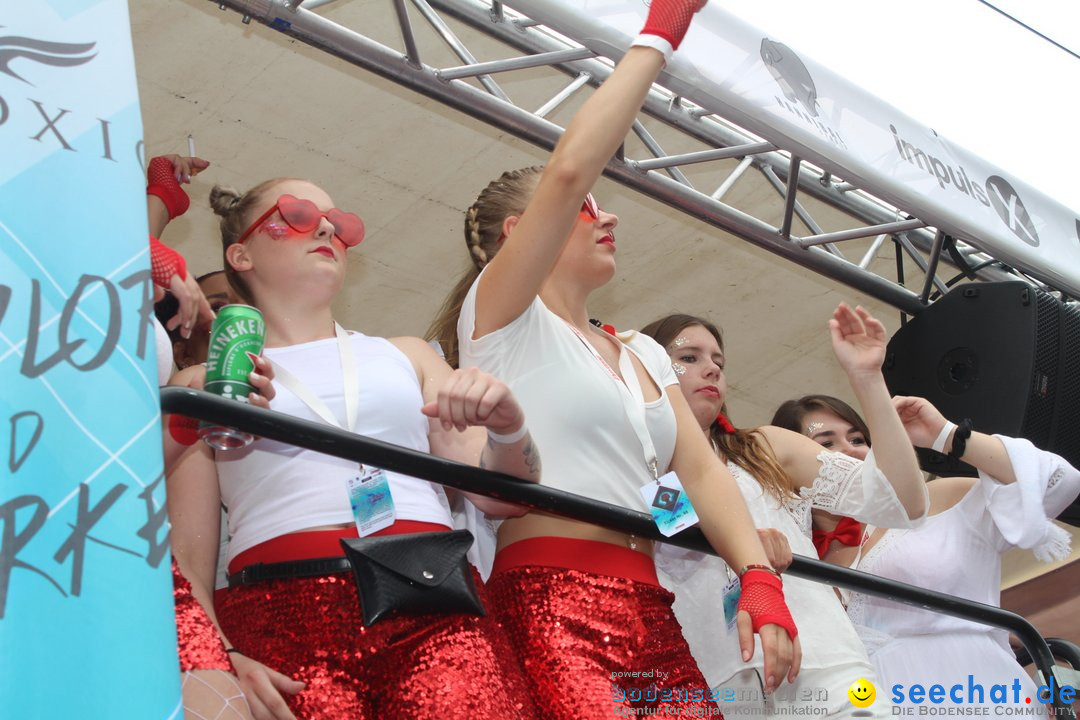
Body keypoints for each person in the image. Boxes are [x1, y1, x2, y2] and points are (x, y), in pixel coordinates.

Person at [431, 3, 806, 716]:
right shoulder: (502, 318)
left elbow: (698, 470)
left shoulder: (639, 351)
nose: (609, 217)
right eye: (587, 210)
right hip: (551, 600)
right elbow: (570, 171)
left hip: (649, 605)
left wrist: (759, 578)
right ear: (522, 233)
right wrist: (657, 37)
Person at [166, 175, 543, 720]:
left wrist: (509, 427)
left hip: (434, 601)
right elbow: (188, 555)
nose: (325, 228)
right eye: (295, 214)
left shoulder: (408, 355)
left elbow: (501, 499)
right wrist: (220, 652)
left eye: (339, 225)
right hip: (282, 613)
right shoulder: (207, 379)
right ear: (240, 253)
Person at [640, 310, 927, 718]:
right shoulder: (644, 468)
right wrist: (745, 543)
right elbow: (680, 543)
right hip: (722, 684)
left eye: (718, 362)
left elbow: (901, 503)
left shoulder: (762, 448)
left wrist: (867, 379)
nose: (711, 370)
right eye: (689, 358)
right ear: (646, 368)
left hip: (826, 664)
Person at [772, 394, 1080, 709]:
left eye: (858, 438)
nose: (851, 449)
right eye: (827, 444)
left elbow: (1056, 481)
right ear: (788, 463)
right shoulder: (791, 555)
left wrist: (946, 435)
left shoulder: (935, 501)